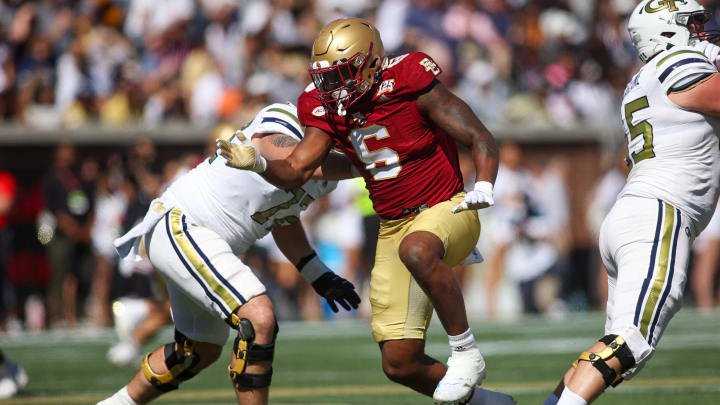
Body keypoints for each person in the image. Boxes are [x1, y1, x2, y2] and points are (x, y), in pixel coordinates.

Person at [217, 18, 515, 405]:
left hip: (445, 205)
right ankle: (492, 404)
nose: (334, 88)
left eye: (343, 74)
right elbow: (297, 169)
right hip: (393, 225)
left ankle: (466, 352)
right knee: (399, 363)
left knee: (418, 249)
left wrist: (485, 185)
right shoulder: (324, 106)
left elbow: (480, 136)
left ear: (372, 61)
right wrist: (258, 163)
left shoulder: (408, 78)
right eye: (327, 78)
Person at [97, 103, 360, 405]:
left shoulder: (330, 172)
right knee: (258, 317)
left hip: (206, 241)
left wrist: (317, 273)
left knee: (198, 352)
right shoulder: (286, 118)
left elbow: (281, 216)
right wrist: (368, 162)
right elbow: (290, 160)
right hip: (183, 223)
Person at [544, 2, 720, 404]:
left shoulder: (642, 78)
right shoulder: (678, 62)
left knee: (615, 348)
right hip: (659, 214)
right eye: (693, 25)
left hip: (633, 213)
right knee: (631, 342)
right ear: (667, 31)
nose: (703, 32)